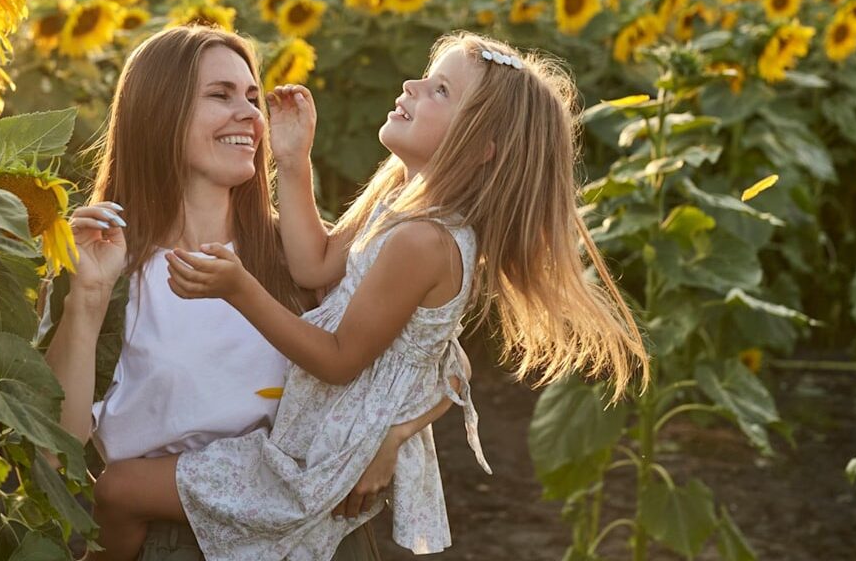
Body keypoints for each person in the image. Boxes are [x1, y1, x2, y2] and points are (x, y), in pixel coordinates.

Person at [89, 31, 652, 560]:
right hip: (319, 442)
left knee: (118, 491)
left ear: (480, 146)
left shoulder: (423, 241)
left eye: (440, 90)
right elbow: (313, 262)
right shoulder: (398, 205)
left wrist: (240, 288)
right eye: (426, 77)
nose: (411, 87)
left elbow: (340, 361)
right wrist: (291, 159)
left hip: (316, 459)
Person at [42, 24, 443, 560]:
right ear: (159, 113)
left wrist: (392, 435)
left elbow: (438, 358)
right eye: (220, 95)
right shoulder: (104, 263)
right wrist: (87, 298)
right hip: (162, 539)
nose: (250, 115)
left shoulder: (299, 256)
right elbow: (54, 457)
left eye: (253, 98)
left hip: (305, 541)